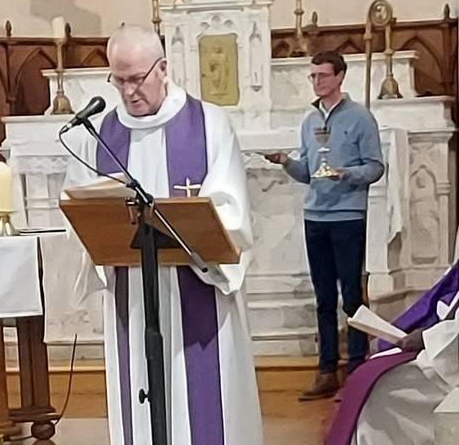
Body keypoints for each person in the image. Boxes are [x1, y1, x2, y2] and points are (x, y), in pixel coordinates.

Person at [64, 25, 262, 444]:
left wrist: (193, 229)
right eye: (119, 80)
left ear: (163, 68)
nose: (128, 91)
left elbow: (231, 211)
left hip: (198, 288)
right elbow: (81, 214)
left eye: (137, 78)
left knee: (205, 405)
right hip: (134, 293)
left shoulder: (209, 124)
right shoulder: (98, 136)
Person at [265, 51, 384, 400]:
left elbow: (375, 167)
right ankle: (327, 369)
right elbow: (308, 173)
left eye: (323, 75)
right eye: (313, 76)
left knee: (352, 295)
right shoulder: (309, 122)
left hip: (347, 216)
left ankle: (358, 368)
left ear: (340, 77)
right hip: (315, 216)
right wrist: (286, 161)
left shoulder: (360, 118)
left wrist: (347, 174)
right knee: (324, 297)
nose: (317, 82)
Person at [326, 310, 459, 445]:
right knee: (370, 374)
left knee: (379, 390)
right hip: (447, 346)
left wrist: (427, 337)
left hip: (451, 360)